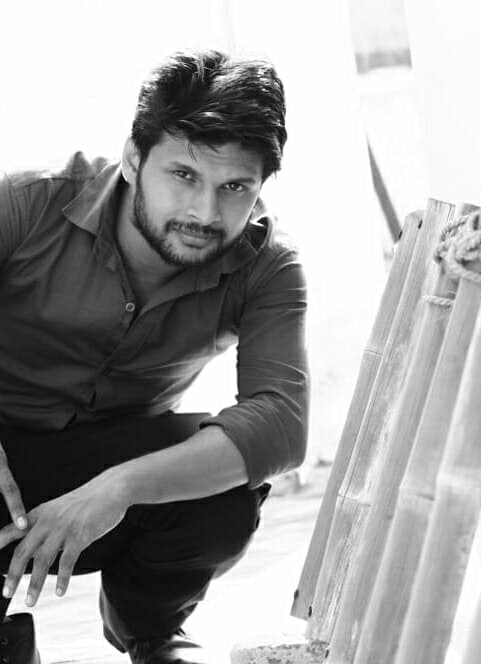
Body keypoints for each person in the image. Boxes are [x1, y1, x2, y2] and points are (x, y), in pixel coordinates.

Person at [0, 49, 309, 663]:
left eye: (234, 187)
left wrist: (119, 488)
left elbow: (280, 424)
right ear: (133, 158)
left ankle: (151, 630)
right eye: (184, 175)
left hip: (109, 471)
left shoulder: (268, 266)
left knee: (224, 487)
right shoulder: (26, 205)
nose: (204, 213)